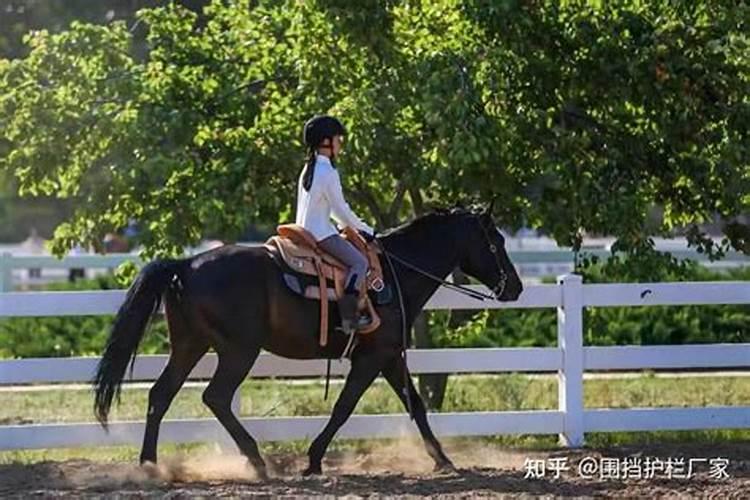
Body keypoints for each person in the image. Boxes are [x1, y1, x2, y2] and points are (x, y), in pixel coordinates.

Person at [295, 115, 375, 333]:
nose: (340, 143)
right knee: (360, 263)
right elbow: (341, 210)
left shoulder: (308, 169)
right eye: (338, 139)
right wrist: (367, 230)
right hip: (321, 235)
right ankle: (349, 318)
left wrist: (343, 225)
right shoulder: (328, 172)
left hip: (302, 230)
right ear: (327, 142)